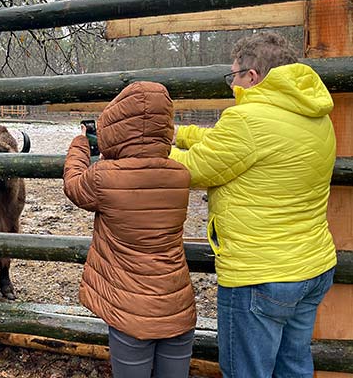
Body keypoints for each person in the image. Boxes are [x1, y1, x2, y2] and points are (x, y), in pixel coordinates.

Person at [170, 32, 337, 378]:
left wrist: (143, 146)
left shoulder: (246, 121)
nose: (232, 85)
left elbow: (193, 169)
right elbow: (231, 145)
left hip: (261, 277)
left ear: (252, 76)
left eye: (234, 76)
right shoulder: (315, 115)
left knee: (247, 372)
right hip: (312, 267)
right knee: (293, 368)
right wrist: (179, 134)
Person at [63, 81, 196, 378]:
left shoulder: (103, 177)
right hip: (178, 308)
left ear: (115, 125)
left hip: (131, 314)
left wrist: (80, 145)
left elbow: (74, 186)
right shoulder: (180, 175)